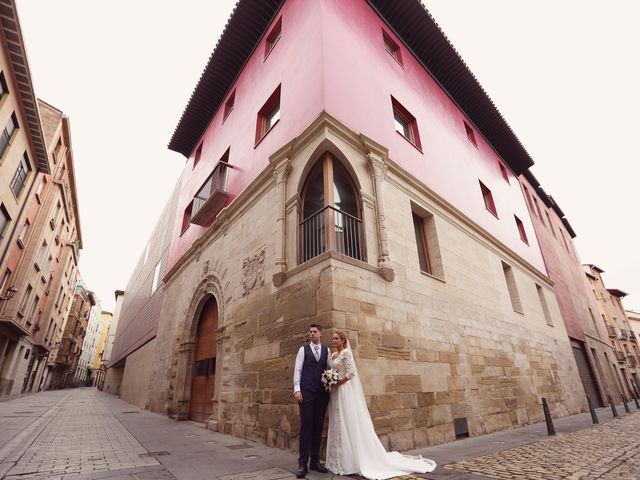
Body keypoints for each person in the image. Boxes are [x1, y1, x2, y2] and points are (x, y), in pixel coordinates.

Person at [325, 330, 437, 479]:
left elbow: (351, 373)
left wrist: (338, 382)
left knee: (347, 422)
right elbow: (332, 370)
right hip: (334, 393)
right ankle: (337, 461)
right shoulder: (333, 355)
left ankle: (350, 461)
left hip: (344, 391)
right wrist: (329, 380)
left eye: (336, 339)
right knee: (337, 422)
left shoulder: (346, 353)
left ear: (343, 341)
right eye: (333, 339)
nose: (334, 341)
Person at [293, 324, 332, 478]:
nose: (312, 334)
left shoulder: (326, 351)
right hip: (306, 392)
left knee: (318, 426)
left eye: (315, 332)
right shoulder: (303, 350)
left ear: (320, 334)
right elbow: (298, 370)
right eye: (310, 332)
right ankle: (302, 463)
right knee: (306, 427)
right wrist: (297, 389)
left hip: (322, 394)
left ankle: (315, 461)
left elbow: (329, 370)